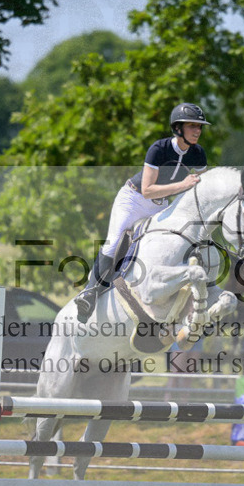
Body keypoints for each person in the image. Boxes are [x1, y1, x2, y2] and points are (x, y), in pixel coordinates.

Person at [74, 102, 211, 322]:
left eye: (200, 126)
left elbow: (205, 185)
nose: (197, 131)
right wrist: (184, 185)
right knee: (114, 241)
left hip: (161, 204)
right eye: (192, 125)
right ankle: (90, 292)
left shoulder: (198, 153)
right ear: (178, 128)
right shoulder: (159, 149)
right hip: (134, 199)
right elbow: (147, 190)